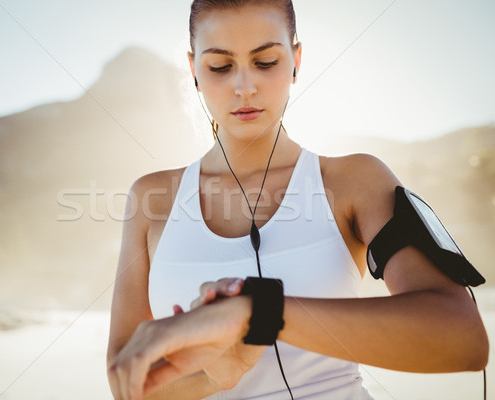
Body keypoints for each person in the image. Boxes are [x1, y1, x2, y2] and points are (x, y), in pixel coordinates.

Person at [106, 1, 489, 399]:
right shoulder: (151, 199)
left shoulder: (353, 180)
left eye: (266, 61)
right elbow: (128, 383)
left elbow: (464, 340)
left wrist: (254, 312)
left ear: (296, 60)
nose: (244, 87)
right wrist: (215, 377)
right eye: (220, 66)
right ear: (194, 70)